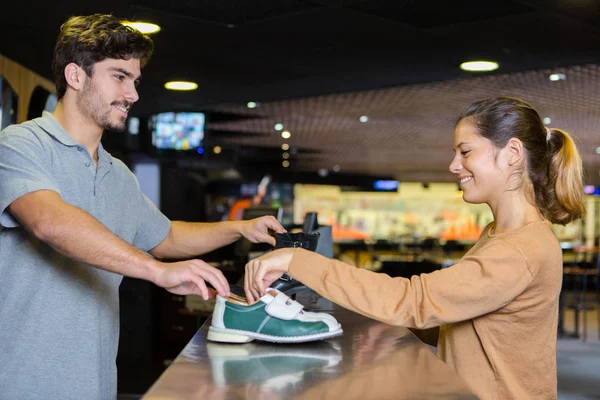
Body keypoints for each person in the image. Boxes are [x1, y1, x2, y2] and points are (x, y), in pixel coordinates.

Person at [0, 14, 285, 400]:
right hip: (21, 383)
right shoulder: (18, 145)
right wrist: (156, 272)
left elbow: (165, 236)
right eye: (119, 76)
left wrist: (238, 229)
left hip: (96, 384)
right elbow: (49, 221)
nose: (133, 94)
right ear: (75, 76)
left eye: (134, 81)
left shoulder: (119, 174)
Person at [244, 96, 586, 400]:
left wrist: (297, 259)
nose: (454, 165)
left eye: (465, 152)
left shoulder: (521, 248)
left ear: (512, 153)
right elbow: (477, 326)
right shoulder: (500, 234)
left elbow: (415, 300)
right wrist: (398, 326)